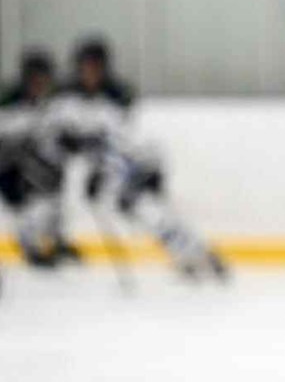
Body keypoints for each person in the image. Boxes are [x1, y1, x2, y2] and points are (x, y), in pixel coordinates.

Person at [47, 37, 227, 281]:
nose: (91, 72)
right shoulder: (64, 97)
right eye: (86, 66)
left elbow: (119, 143)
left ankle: (193, 252)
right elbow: (63, 139)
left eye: (96, 66)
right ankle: (193, 251)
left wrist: (100, 173)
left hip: (139, 161)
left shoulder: (118, 95)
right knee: (145, 209)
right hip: (119, 166)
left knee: (142, 206)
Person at [0, 48, 79, 267]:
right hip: (0, 163)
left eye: (45, 79)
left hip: (27, 160)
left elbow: (59, 135)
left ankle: (54, 238)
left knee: (52, 186)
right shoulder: (2, 99)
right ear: (26, 78)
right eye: (37, 79)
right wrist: (9, 141)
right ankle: (30, 245)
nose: (41, 85)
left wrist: (67, 142)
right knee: (25, 203)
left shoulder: (48, 103)